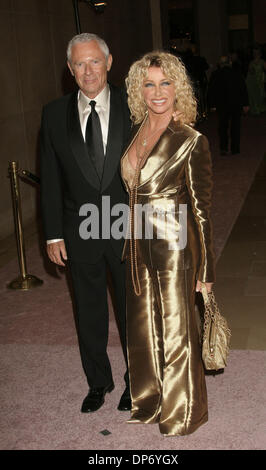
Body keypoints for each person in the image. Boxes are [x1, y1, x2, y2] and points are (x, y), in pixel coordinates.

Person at [120, 51, 215, 436]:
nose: (157, 92)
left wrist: (206, 272)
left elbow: (203, 211)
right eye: (149, 83)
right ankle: (150, 399)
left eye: (165, 83)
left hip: (174, 242)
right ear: (138, 90)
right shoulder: (137, 129)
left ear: (178, 88)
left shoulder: (191, 139)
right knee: (143, 328)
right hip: (135, 240)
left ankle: (184, 410)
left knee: (176, 330)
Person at [40, 33, 131, 413]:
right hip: (80, 230)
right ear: (70, 69)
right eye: (80, 63)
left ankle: (138, 379)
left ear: (109, 63)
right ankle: (99, 381)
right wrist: (53, 233)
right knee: (89, 311)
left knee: (132, 311)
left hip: (129, 226)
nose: (88, 70)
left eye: (95, 61)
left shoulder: (136, 106)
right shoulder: (53, 113)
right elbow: (50, 178)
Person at [208, 55, 249, 155]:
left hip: (222, 105)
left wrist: (212, 105)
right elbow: (243, 89)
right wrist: (245, 104)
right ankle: (235, 149)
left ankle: (224, 148)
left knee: (222, 127)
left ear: (220, 64)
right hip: (236, 104)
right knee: (236, 126)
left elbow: (211, 91)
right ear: (230, 63)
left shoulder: (215, 74)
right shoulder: (237, 73)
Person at [246, 47, 266, 115]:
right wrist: (252, 70)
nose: (255, 54)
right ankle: (256, 109)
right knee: (255, 96)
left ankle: (261, 109)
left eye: (257, 53)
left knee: (261, 95)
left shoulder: (262, 62)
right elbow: (250, 73)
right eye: (254, 53)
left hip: (261, 81)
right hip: (254, 82)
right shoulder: (251, 62)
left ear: (260, 54)